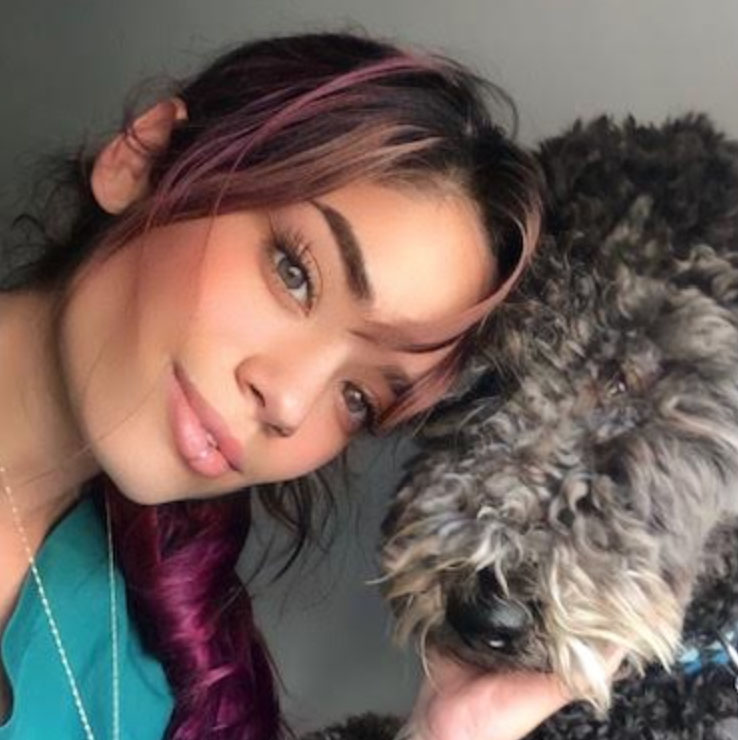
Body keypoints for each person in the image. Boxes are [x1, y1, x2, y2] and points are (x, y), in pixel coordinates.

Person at [0, 30, 573, 740]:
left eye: (359, 398)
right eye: (295, 274)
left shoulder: (151, 665)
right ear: (142, 157)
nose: (291, 403)